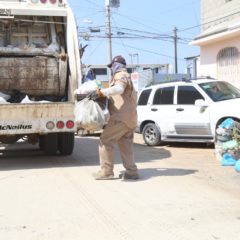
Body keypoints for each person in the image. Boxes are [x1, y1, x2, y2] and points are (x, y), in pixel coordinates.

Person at [89, 55, 139, 180]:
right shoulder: (127, 76)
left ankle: (106, 172)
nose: (111, 69)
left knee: (105, 140)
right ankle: (132, 172)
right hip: (131, 118)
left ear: (117, 65)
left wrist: (101, 92)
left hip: (120, 118)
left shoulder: (120, 74)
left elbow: (119, 89)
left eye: (112, 66)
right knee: (125, 144)